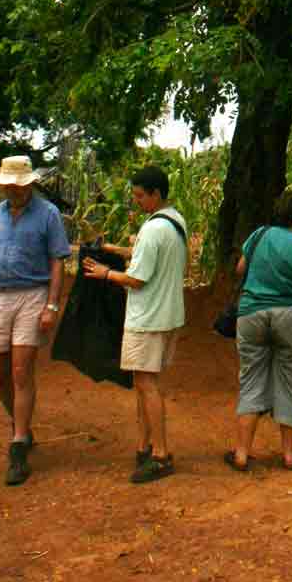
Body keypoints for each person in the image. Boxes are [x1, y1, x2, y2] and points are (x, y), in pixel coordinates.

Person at [82, 165, 187, 483]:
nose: (137, 201)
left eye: (141, 196)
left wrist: (105, 273)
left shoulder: (153, 228)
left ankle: (160, 454)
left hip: (148, 318)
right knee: (146, 383)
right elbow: (151, 256)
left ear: (156, 194)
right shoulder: (175, 221)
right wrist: (119, 250)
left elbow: (137, 278)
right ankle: (145, 445)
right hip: (168, 315)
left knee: (146, 385)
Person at [0, 154, 71, 487]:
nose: (12, 192)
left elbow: (58, 261)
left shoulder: (48, 214)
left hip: (32, 294)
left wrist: (52, 306)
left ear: (29, 184)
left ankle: (17, 446)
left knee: (20, 371)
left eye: (17, 187)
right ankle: (23, 426)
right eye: (8, 187)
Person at [226, 189, 292, 472]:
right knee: (290, 381)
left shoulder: (258, 235)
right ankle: (289, 456)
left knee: (251, 380)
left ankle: (242, 454)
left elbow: (240, 268)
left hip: (251, 314)